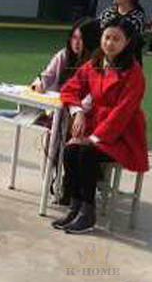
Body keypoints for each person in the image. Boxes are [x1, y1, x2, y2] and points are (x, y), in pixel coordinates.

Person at [53, 16, 149, 235]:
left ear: (127, 42)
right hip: (96, 126)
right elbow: (69, 88)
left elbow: (123, 112)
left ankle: (88, 212)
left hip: (122, 135)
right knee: (70, 150)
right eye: (107, 37)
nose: (110, 43)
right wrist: (77, 112)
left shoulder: (133, 72)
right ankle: (75, 207)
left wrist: (95, 138)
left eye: (116, 39)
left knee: (86, 152)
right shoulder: (95, 63)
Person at [31, 18, 102, 205]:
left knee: (68, 135)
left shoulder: (97, 64)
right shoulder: (64, 55)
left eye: (81, 39)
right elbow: (47, 76)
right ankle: (60, 179)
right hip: (65, 112)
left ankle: (72, 184)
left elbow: (93, 97)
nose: (76, 43)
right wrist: (40, 83)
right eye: (73, 38)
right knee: (56, 131)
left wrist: (77, 110)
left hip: (89, 118)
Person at [99, 0, 146, 65]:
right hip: (106, 60)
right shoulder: (107, 13)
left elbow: (134, 43)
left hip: (127, 61)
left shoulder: (137, 18)